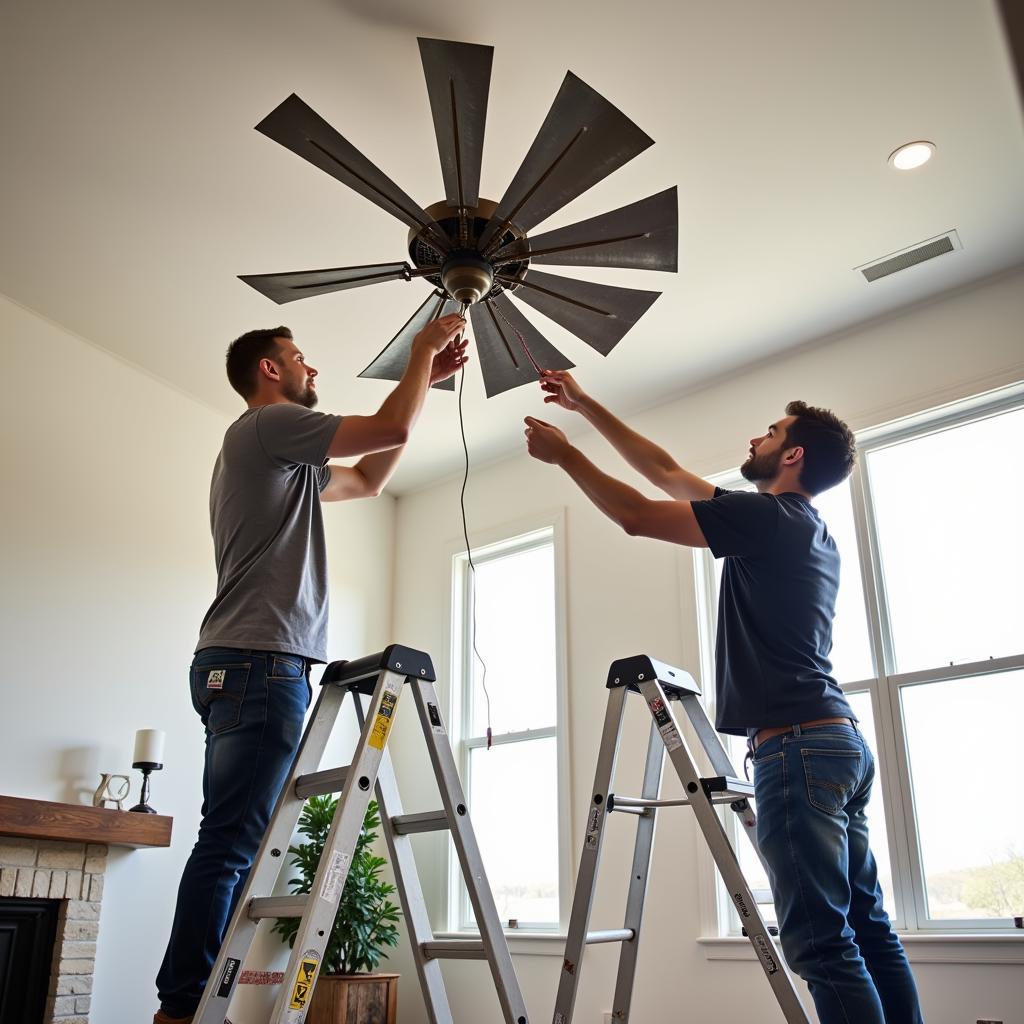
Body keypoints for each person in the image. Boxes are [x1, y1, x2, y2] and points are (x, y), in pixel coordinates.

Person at [524, 369, 922, 1024]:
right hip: (837, 744)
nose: (756, 438)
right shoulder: (799, 525)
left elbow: (635, 516)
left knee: (820, 942)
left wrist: (565, 454)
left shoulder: (766, 519)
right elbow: (666, 472)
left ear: (791, 455)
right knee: (865, 929)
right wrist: (584, 404)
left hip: (797, 749)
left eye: (771, 433)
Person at [153, 315, 467, 1024]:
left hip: (243, 661)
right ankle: (182, 1009)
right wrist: (417, 354)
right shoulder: (267, 427)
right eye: (300, 360)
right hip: (260, 662)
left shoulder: (279, 457)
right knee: (232, 843)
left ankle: (191, 1001)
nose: (312, 372)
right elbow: (384, 428)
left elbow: (368, 475)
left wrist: (423, 383)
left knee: (234, 839)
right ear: (270, 370)